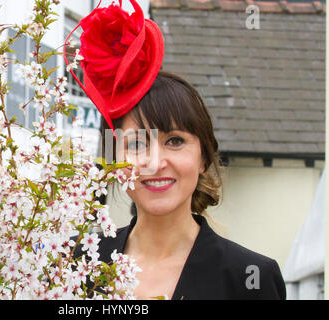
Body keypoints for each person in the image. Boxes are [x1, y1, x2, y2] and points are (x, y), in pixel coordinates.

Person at [65, 0, 286, 300]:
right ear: (113, 158)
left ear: (204, 158)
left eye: (175, 141)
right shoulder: (76, 266)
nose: (155, 163)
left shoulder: (249, 277)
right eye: (138, 143)